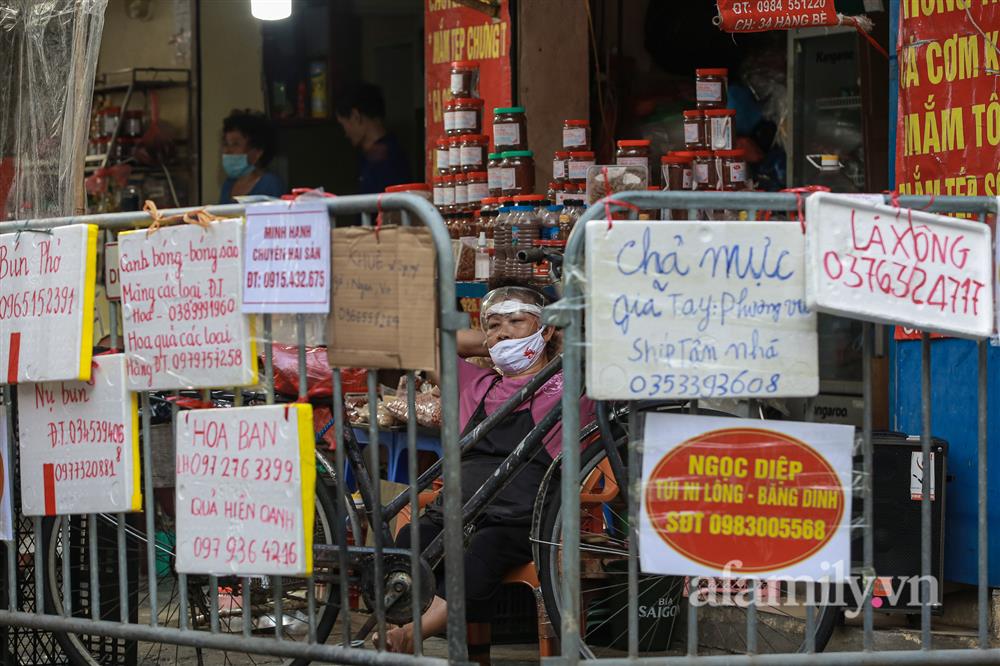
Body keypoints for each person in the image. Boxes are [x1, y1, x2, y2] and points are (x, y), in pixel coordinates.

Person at [380, 285, 595, 663]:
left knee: (482, 552)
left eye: (516, 321)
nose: (504, 331)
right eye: (493, 324)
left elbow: (599, 344)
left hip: (523, 515)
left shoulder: (570, 384)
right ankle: (405, 628)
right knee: (409, 540)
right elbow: (428, 341)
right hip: (458, 506)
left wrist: (544, 340)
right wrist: (495, 342)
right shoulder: (475, 386)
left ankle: (414, 633)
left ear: (545, 331)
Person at [335, 82, 411, 194]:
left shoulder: (389, 158)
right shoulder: (373, 155)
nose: (346, 133)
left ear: (356, 116)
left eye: (343, 125)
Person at [218, 110, 284, 203]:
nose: (227, 151)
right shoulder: (228, 185)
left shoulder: (269, 183)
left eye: (235, 144)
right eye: (226, 144)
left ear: (257, 152)